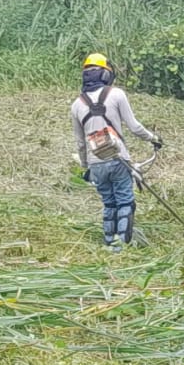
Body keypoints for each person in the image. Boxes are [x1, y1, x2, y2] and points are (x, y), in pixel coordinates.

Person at [72, 53, 163, 251]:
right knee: (125, 202)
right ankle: (122, 245)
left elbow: (80, 144)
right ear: (106, 74)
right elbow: (134, 127)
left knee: (109, 203)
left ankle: (109, 242)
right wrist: (153, 138)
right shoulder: (116, 94)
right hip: (118, 159)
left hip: (96, 163)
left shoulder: (76, 105)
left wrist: (86, 166)